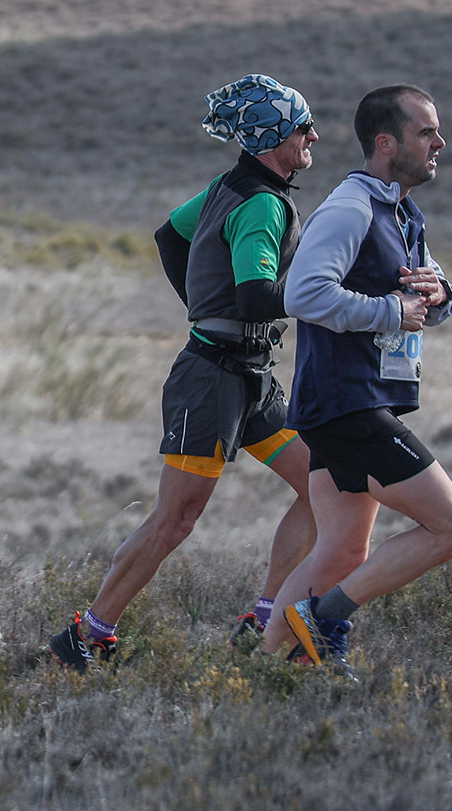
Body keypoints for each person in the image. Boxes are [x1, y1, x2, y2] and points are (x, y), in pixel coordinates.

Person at [50, 75, 321, 670]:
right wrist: (319, 295)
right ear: (273, 136)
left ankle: (265, 618)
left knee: (324, 485)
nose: (313, 137)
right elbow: (254, 297)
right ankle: (86, 636)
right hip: (213, 379)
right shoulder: (261, 203)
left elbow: (168, 236)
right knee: (176, 520)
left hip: (251, 379)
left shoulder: (230, 187)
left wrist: (202, 306)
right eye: (303, 127)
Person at [262, 86, 452, 675]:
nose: (439, 142)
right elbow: (304, 293)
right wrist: (389, 311)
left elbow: (415, 299)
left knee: (342, 549)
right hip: (347, 404)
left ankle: (262, 666)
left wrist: (440, 294)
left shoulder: (402, 211)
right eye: (426, 132)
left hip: (354, 402)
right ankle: (325, 618)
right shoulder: (351, 207)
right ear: (386, 143)